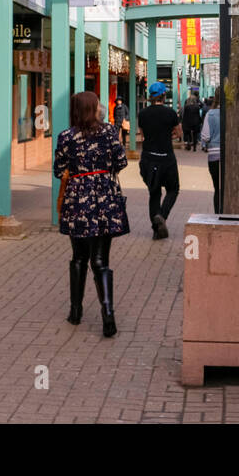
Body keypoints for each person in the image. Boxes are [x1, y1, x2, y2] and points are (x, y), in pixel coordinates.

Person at [54, 91, 129, 337]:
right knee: (101, 259)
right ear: (92, 108)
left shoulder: (66, 136)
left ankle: (75, 312)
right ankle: (108, 314)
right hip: (105, 198)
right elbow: (121, 161)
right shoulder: (108, 132)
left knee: (78, 257)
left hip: (77, 200)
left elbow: (58, 170)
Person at [137, 82, 181, 239]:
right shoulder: (171, 113)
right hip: (166, 158)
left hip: (148, 158)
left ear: (151, 97)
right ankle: (162, 215)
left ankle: (157, 230)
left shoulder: (142, 114)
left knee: (154, 193)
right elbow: (178, 133)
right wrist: (169, 135)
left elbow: (142, 135)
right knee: (173, 189)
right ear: (163, 95)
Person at [199, 88, 239, 213]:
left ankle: (217, 216)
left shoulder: (210, 114)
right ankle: (232, 215)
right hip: (233, 156)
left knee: (218, 189)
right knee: (232, 188)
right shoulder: (238, 113)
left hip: (214, 157)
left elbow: (205, 136)